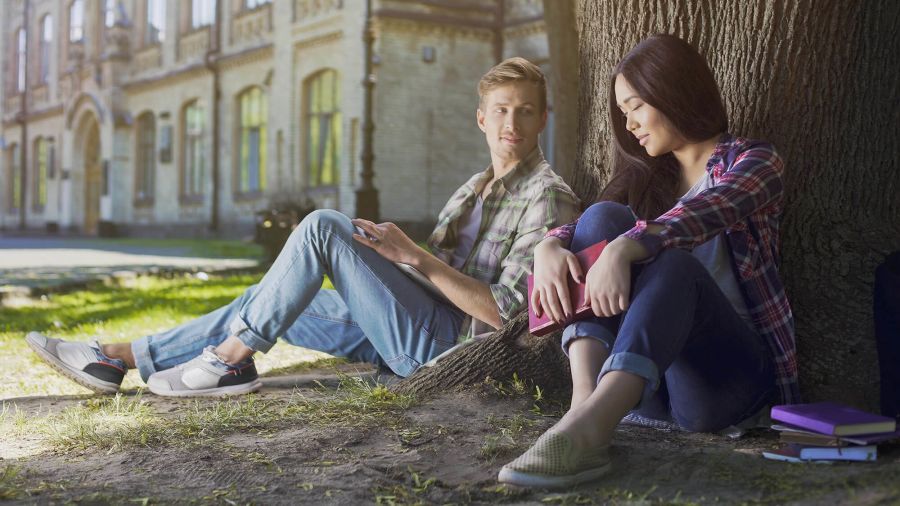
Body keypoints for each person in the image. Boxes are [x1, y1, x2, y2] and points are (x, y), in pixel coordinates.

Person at [27, 57, 579, 397]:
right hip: (413, 327)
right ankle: (115, 358)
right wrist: (378, 256)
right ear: (482, 118)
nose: (513, 123)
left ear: (543, 119)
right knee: (269, 296)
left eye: (526, 111)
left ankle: (230, 361)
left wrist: (414, 256)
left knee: (320, 227)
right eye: (502, 110)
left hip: (452, 351)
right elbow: (426, 284)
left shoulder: (546, 196)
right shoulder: (472, 190)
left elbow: (510, 315)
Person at [497, 34, 799, 488]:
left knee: (677, 266)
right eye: (623, 113)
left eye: (636, 106)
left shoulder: (754, 161)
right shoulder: (644, 180)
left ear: (671, 90)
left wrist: (627, 246)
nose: (630, 124)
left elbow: (707, 213)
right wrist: (549, 246)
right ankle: (584, 409)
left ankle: (589, 427)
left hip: (726, 380)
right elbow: (586, 227)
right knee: (603, 216)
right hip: (649, 381)